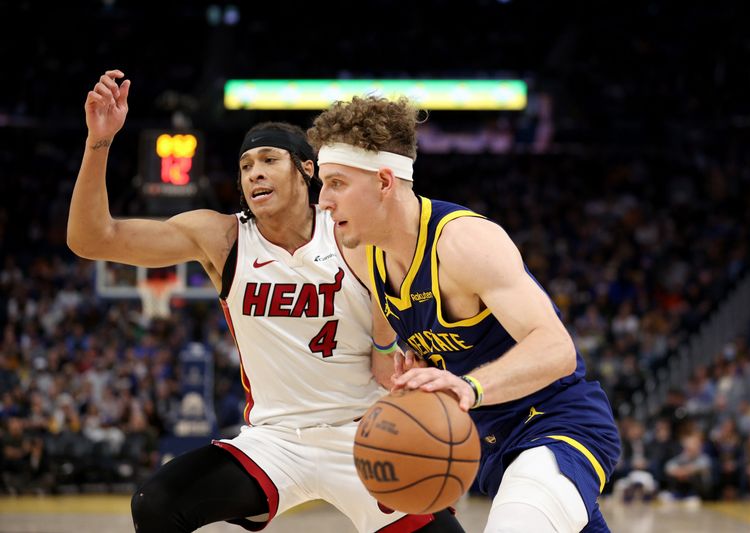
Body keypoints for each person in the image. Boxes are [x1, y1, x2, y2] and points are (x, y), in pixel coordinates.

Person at [67, 70, 464, 533]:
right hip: (276, 442)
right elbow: (92, 238)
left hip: (365, 433)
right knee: (155, 503)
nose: (254, 172)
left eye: (268, 159)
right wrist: (99, 143)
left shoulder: (349, 231)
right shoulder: (223, 238)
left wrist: (385, 347)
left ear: (307, 169)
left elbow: (401, 290)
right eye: (245, 165)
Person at [309, 95, 622, 533]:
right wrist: (397, 354)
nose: (323, 201)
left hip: (556, 424)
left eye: (336, 183)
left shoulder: (464, 243)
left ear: (383, 181)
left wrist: (469, 386)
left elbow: (557, 349)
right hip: (491, 446)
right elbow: (394, 319)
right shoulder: (362, 251)